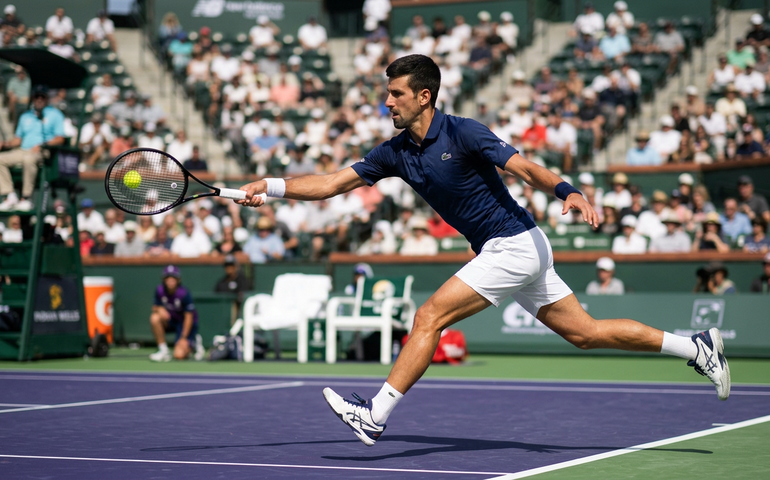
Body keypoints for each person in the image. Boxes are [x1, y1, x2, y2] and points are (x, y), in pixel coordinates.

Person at [235, 54, 731, 447]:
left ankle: (375, 416)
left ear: (424, 96)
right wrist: (271, 186)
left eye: (396, 94)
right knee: (586, 333)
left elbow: (526, 168)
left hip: (513, 244)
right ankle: (698, 347)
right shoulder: (394, 152)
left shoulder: (464, 131)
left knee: (428, 316)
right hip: (517, 248)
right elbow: (327, 184)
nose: (387, 102)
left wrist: (567, 190)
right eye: (386, 94)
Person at [0, 86, 65, 211]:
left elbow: (60, 139)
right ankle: (9, 195)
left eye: (42, 97)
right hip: (23, 150)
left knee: (29, 159)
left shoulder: (55, 114)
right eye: (37, 96)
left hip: (42, 151)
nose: (39, 99)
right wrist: (4, 144)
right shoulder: (26, 116)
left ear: (47, 99)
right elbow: (18, 140)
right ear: (33, 98)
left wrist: (42, 145)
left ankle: (26, 197)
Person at [149, 265, 204, 362]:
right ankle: (163, 350)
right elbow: (155, 306)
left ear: (178, 280)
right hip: (171, 321)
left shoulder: (184, 293)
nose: (170, 280)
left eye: (173, 277)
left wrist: (183, 338)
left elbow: (189, 317)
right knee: (155, 318)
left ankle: (194, 342)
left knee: (179, 355)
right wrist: (160, 309)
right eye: (168, 278)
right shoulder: (160, 290)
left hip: (184, 324)